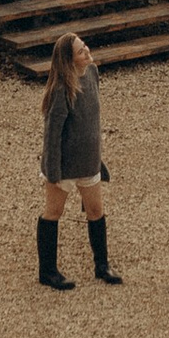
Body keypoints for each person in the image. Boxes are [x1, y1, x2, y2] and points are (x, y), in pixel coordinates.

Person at [38, 31, 121, 292]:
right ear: (70, 60)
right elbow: (52, 135)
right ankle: (48, 271)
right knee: (53, 213)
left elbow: (91, 125)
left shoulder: (93, 74)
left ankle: (102, 265)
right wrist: (53, 171)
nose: (87, 52)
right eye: (80, 51)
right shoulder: (62, 90)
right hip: (63, 167)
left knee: (96, 212)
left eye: (85, 47)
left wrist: (98, 159)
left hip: (88, 163)